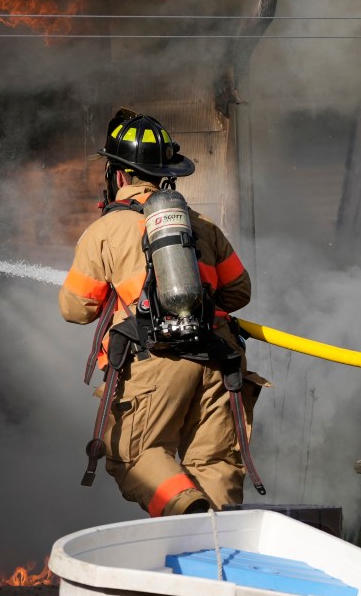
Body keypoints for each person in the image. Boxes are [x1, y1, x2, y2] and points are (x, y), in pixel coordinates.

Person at [58, 109, 263, 517]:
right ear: (167, 174)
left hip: (158, 358)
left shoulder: (104, 231)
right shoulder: (201, 224)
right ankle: (221, 561)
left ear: (119, 175)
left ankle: (189, 514)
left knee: (133, 456)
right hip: (220, 360)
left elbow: (76, 309)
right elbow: (240, 292)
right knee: (214, 463)